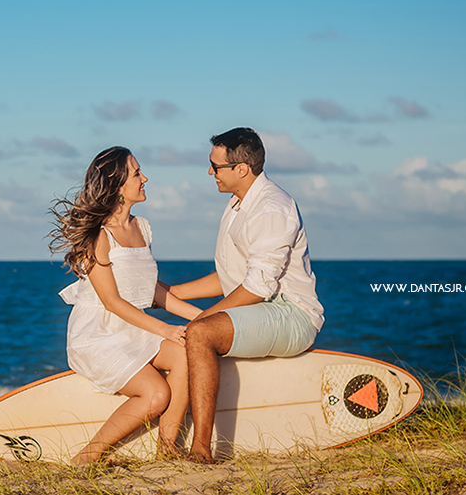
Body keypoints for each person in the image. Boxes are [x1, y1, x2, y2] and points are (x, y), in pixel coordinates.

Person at [168, 127, 324, 463]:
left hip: (292, 313)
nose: (210, 172)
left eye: (216, 166)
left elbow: (257, 287)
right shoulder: (238, 204)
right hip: (263, 306)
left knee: (200, 333)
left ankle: (201, 450)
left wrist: (203, 320)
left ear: (241, 169)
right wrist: (171, 293)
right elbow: (232, 278)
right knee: (196, 330)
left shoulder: (271, 208)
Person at [50, 146, 203, 464]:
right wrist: (166, 330)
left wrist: (205, 318)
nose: (145, 178)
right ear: (118, 186)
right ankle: (87, 457)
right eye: (137, 173)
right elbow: (112, 302)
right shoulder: (98, 237)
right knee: (157, 394)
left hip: (134, 328)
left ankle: (167, 450)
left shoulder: (142, 227)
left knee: (188, 352)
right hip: (99, 335)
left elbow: (152, 291)